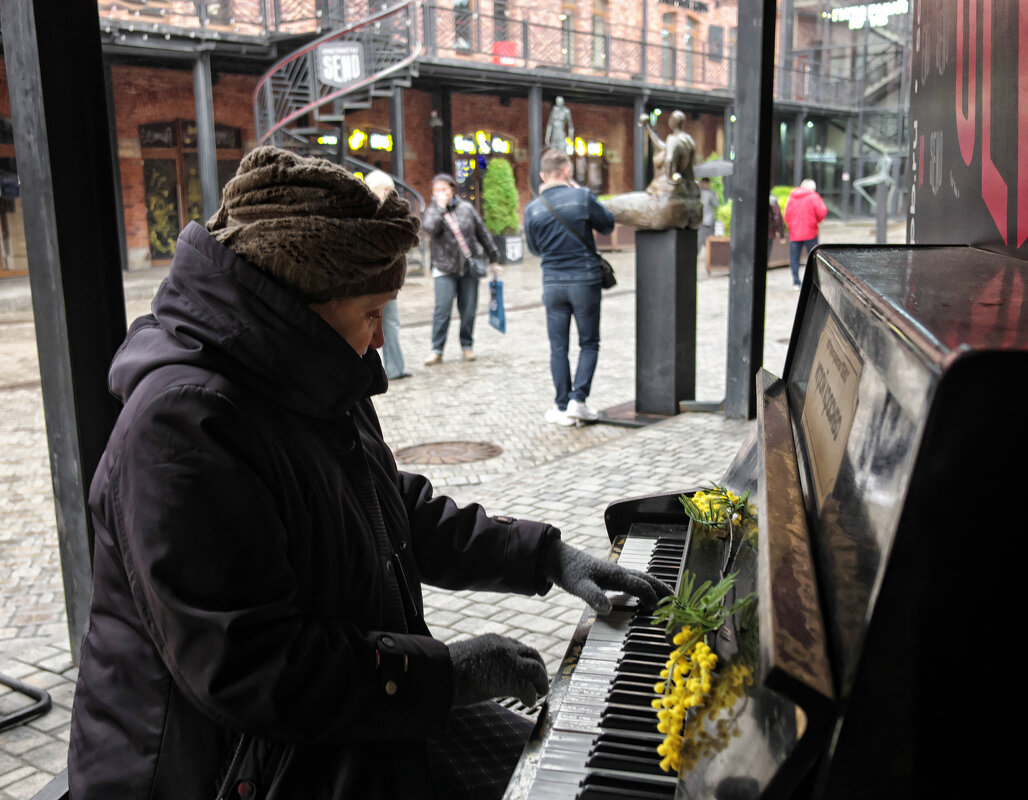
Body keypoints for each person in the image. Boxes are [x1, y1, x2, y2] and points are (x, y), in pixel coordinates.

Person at [67, 146, 670, 800]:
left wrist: (544, 555)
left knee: (555, 774)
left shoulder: (301, 366)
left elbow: (388, 506)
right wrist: (447, 675)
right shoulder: (180, 429)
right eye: (371, 312)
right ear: (305, 303)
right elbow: (250, 668)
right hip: (228, 768)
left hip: (329, 720)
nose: (380, 338)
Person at [525, 148, 615, 426]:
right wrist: (580, 192)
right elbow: (608, 225)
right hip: (584, 281)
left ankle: (562, 406)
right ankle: (579, 400)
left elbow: (533, 248)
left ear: (542, 175)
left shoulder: (533, 208)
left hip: (552, 282)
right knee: (589, 342)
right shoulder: (581, 197)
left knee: (558, 346)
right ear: (566, 171)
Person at [421, 173, 500, 364]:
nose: (441, 193)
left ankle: (467, 345)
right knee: (442, 310)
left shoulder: (466, 209)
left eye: (444, 189)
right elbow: (430, 229)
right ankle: (437, 349)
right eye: (437, 190)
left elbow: (481, 232)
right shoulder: (432, 211)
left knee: (468, 310)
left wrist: (494, 256)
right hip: (444, 268)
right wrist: (440, 208)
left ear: (453, 189)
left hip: (468, 267)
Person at [603, 110, 701, 230]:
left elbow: (669, 159)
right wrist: (648, 128)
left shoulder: (673, 139)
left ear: (672, 122)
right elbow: (661, 146)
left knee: (614, 206)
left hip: (664, 200)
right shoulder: (688, 140)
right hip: (687, 197)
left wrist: (671, 178)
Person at [364, 169, 411, 379]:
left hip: (386, 281)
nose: (391, 194)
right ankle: (376, 371)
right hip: (373, 282)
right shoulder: (369, 216)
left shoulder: (387, 215)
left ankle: (395, 368)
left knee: (389, 324)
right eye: (387, 190)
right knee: (369, 327)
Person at [784, 178, 828, 290]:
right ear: (812, 188)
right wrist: (817, 221)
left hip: (795, 234)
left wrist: (792, 227)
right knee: (813, 257)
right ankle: (814, 282)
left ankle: (796, 282)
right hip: (810, 233)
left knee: (795, 258)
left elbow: (787, 215)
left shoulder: (792, 197)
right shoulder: (813, 197)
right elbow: (822, 212)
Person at [698, 177, 720, 258]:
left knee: (701, 238)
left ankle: (698, 254)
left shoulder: (697, 192)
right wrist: (716, 197)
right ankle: (712, 257)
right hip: (708, 219)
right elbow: (716, 205)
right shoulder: (711, 193)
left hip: (699, 219)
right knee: (709, 238)